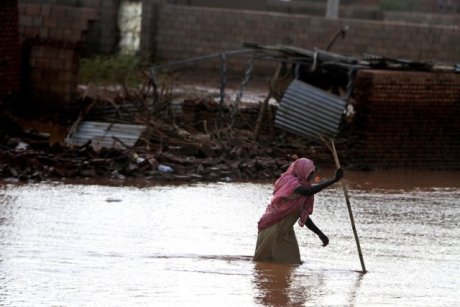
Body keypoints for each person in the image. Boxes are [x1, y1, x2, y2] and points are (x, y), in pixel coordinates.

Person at [253, 157, 344, 264]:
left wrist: (320, 234)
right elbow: (306, 192)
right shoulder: (289, 181)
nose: (311, 176)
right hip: (272, 226)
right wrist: (333, 180)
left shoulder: (304, 186)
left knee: (293, 262)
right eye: (310, 173)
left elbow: (303, 215)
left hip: (285, 231)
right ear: (302, 170)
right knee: (262, 262)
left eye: (312, 173)